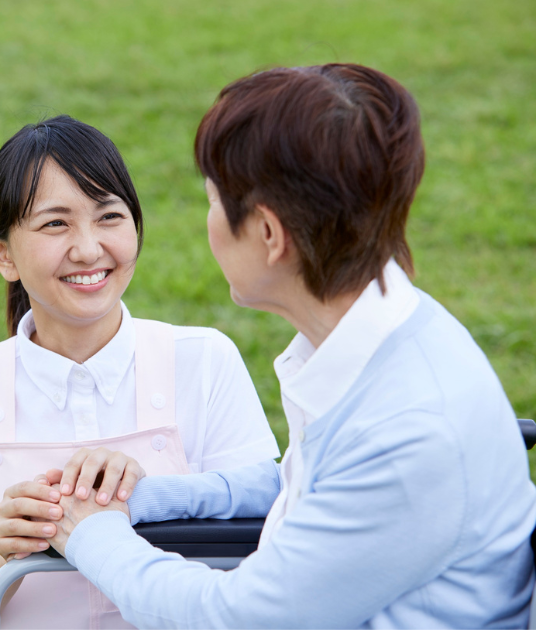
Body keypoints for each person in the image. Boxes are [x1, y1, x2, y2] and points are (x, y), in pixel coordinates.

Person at [39, 65, 536, 627]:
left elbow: (239, 618)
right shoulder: (381, 335)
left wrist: (92, 533)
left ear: (269, 236)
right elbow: (310, 485)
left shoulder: (408, 431)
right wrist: (147, 498)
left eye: (212, 200)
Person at [0, 115, 280, 628]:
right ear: (3, 253)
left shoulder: (205, 360)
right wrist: (6, 554)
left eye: (109, 217)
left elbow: (262, 554)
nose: (89, 248)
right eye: (55, 223)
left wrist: (148, 500)